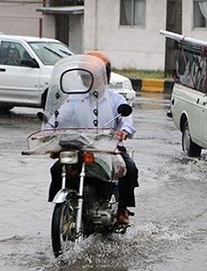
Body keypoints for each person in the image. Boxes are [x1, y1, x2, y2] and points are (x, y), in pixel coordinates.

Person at [46, 52, 139, 225]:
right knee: (57, 169)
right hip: (81, 147)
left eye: (90, 77)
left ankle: (122, 210)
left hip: (109, 149)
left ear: (104, 77)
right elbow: (59, 117)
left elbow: (127, 120)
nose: (86, 81)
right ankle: (62, 207)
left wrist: (124, 131)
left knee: (130, 169)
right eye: (83, 77)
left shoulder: (116, 99)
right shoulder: (75, 99)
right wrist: (49, 130)